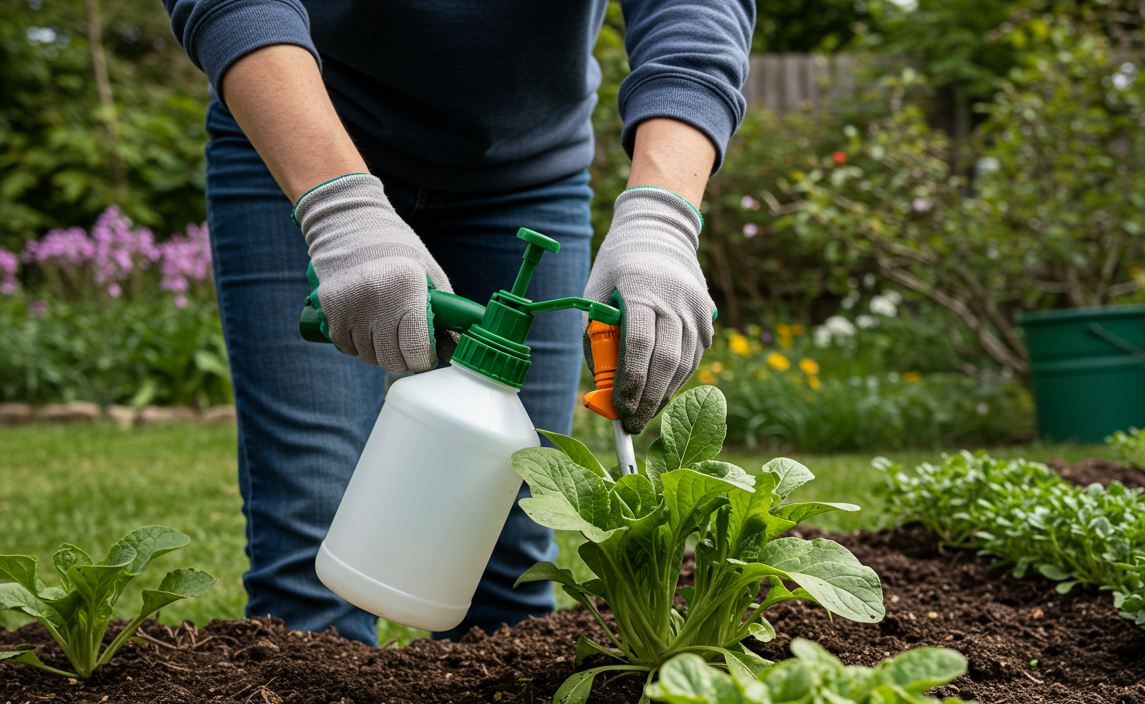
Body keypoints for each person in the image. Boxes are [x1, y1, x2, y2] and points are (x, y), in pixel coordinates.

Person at [162, 0, 754, 645]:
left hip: (527, 172)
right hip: (299, 142)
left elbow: (692, 11)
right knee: (312, 535)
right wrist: (338, 208)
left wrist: (662, 217)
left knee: (513, 545)